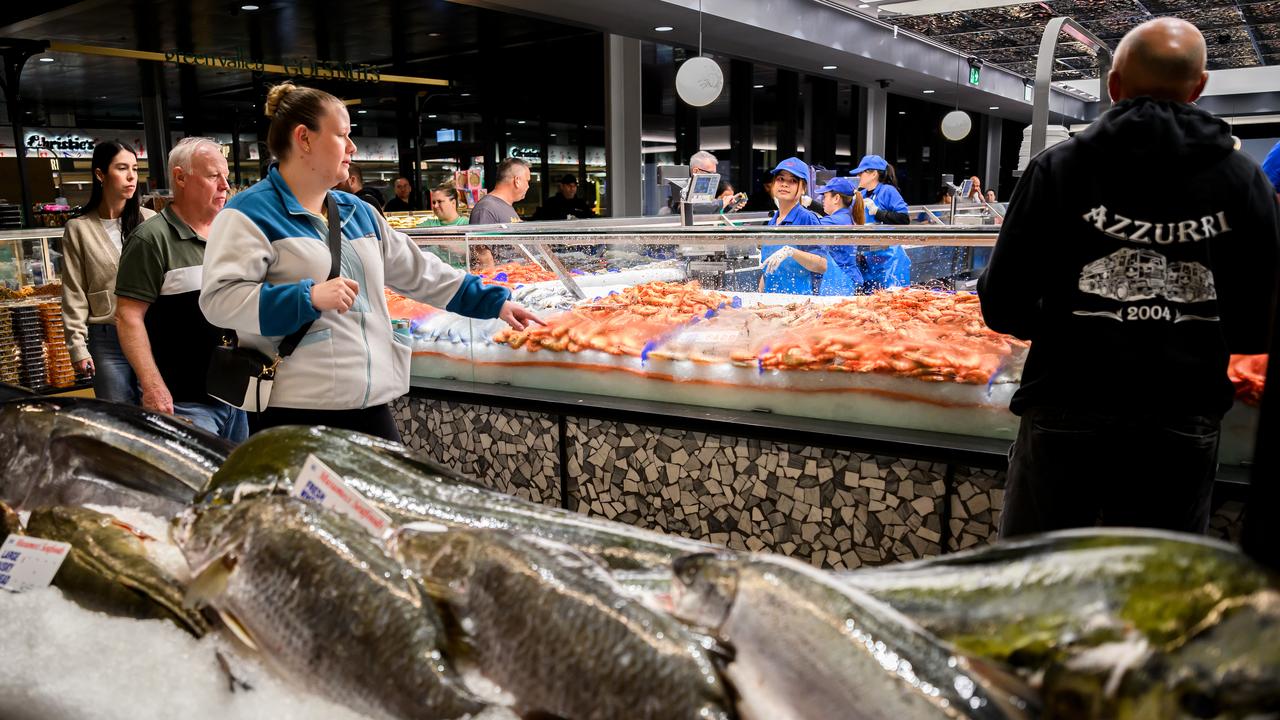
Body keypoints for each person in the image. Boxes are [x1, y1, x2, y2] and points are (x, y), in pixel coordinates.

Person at [978, 18, 1280, 538]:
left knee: (1035, 577)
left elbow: (1002, 303)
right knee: (1152, 586)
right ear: (1200, 86)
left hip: (1065, 403)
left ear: (1113, 87)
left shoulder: (1057, 168)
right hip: (1182, 416)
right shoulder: (1243, 180)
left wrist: (1066, 326)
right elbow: (1259, 324)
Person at [200, 83, 542, 441]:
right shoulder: (248, 214)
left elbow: (419, 271)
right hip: (296, 411)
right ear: (304, 138)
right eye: (342, 136)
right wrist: (308, 298)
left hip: (371, 403)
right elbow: (219, 301)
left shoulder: (358, 212)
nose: (352, 148)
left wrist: (494, 301)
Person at [114, 137, 247, 442]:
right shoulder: (151, 240)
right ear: (180, 177)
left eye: (226, 176)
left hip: (238, 397)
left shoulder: (232, 234)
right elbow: (128, 317)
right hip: (185, 401)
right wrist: (152, 386)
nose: (225, 185)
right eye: (214, 176)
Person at [61, 140, 155, 403]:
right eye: (122, 168)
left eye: (135, 169)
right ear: (100, 174)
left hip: (151, 331)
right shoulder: (79, 228)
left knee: (159, 415)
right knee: (118, 416)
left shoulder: (151, 221)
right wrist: (77, 346)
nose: (131, 177)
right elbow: (74, 291)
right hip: (107, 338)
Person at [758, 157, 828, 294]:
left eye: (793, 181)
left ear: (803, 189)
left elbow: (821, 265)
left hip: (800, 303)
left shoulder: (807, 218)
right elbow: (768, 267)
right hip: (771, 302)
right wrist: (760, 294)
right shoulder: (773, 220)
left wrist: (792, 252)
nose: (784, 184)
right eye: (780, 179)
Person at [850, 154, 911, 290]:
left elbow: (904, 218)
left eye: (861, 172)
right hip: (869, 258)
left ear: (873, 174)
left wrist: (877, 212)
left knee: (892, 301)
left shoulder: (888, 191)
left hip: (889, 259)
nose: (858, 176)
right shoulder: (862, 194)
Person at [814, 176, 865, 295]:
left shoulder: (835, 221)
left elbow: (807, 228)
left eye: (825, 196)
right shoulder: (847, 217)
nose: (822, 200)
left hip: (842, 282)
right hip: (850, 278)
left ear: (836, 198)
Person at [469, 158, 529, 225]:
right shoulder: (486, 209)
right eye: (527, 181)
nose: (528, 186)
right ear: (517, 181)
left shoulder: (503, 206)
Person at [533, 174, 597, 221]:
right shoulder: (552, 203)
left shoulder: (581, 204)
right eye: (569, 186)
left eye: (574, 186)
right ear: (562, 186)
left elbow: (590, 218)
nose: (572, 188)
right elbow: (540, 218)